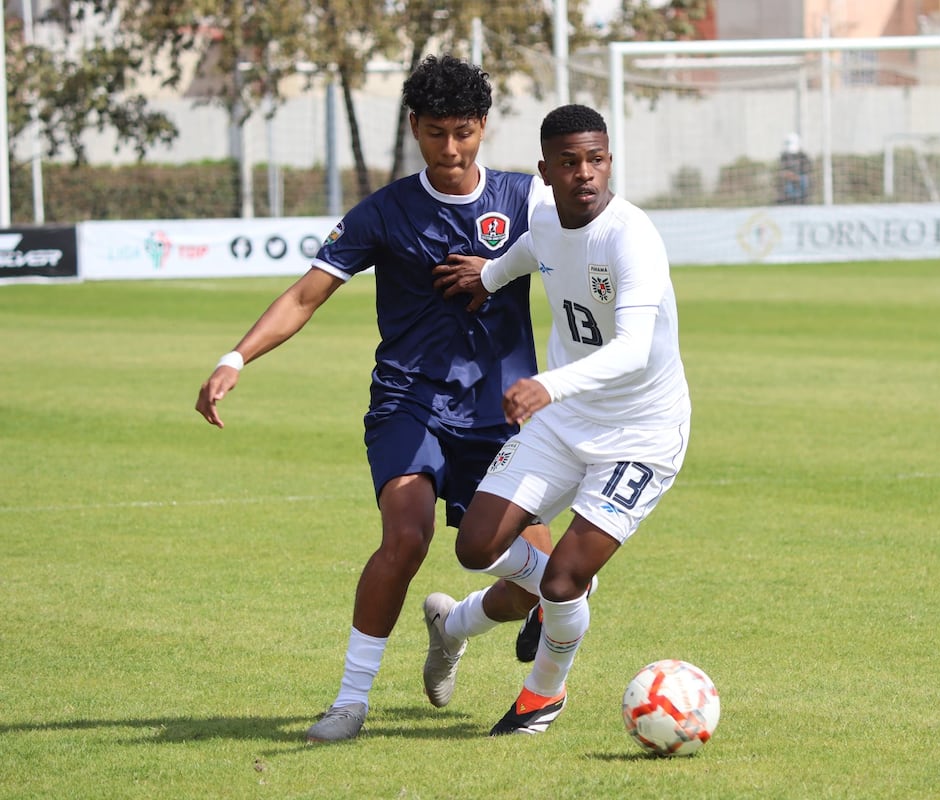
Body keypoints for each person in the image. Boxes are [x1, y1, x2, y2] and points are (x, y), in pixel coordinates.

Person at [193, 54, 555, 744]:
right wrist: (235, 356)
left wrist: (503, 266)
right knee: (408, 533)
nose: (452, 150)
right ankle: (349, 702)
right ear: (414, 126)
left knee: (537, 582)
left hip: (503, 415)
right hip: (409, 402)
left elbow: (583, 248)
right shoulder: (385, 212)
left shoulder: (523, 201)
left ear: (483, 126)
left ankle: (453, 626)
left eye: (465, 132)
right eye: (437, 133)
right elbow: (306, 294)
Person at [426, 103, 691, 736]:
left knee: (567, 576)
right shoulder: (544, 216)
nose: (586, 174)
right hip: (565, 423)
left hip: (641, 434)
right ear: (545, 171)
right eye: (569, 163)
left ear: (609, 161)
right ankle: (471, 619)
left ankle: (542, 695)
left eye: (596, 160)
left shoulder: (632, 236)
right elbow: (533, 249)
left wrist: (546, 384)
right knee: (476, 545)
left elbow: (631, 349)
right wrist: (489, 276)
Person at [777, 132, 811, 205]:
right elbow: (782, 171)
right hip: (789, 179)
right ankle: (789, 200)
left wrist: (797, 177)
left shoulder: (802, 155)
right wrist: (790, 175)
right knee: (788, 186)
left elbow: (807, 169)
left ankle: (803, 200)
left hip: (800, 178)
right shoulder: (784, 157)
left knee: (804, 180)